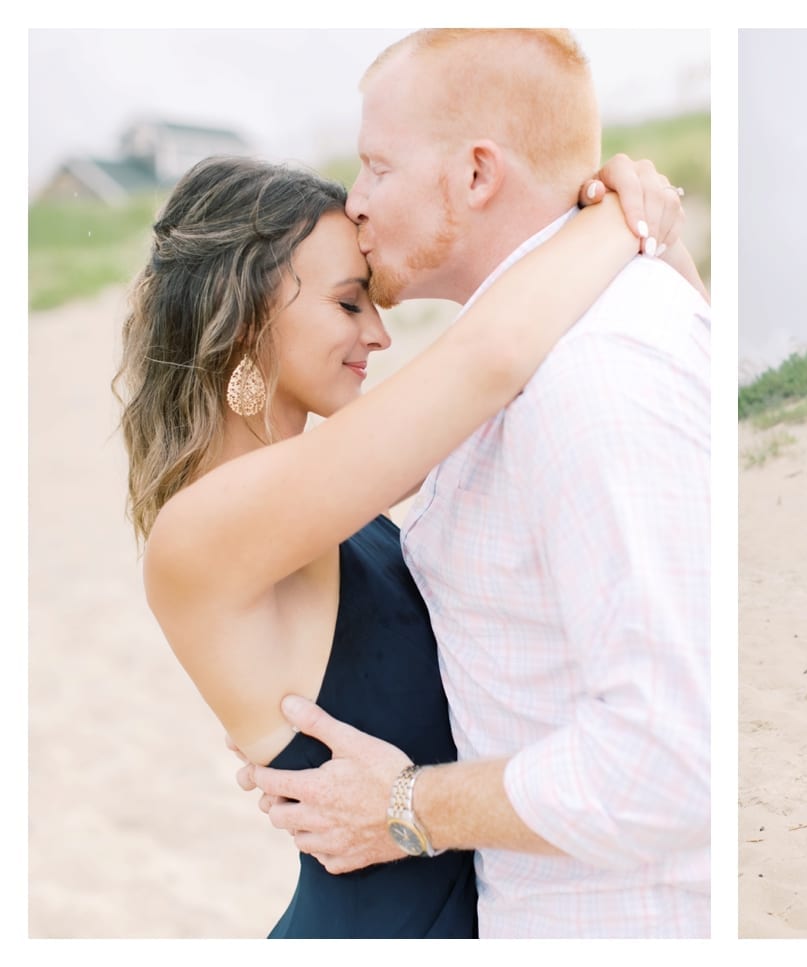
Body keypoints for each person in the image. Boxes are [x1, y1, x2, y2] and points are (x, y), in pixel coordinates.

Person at [115, 148, 696, 938]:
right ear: (249, 314)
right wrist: (627, 217)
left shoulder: (331, 492)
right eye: (350, 303)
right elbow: (486, 358)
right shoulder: (202, 532)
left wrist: (666, 242)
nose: (379, 333)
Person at [240, 29, 712, 939]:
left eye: (377, 166)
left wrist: (407, 802)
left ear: (476, 174)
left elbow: (669, 759)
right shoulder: (529, 351)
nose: (356, 198)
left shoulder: (592, 378)